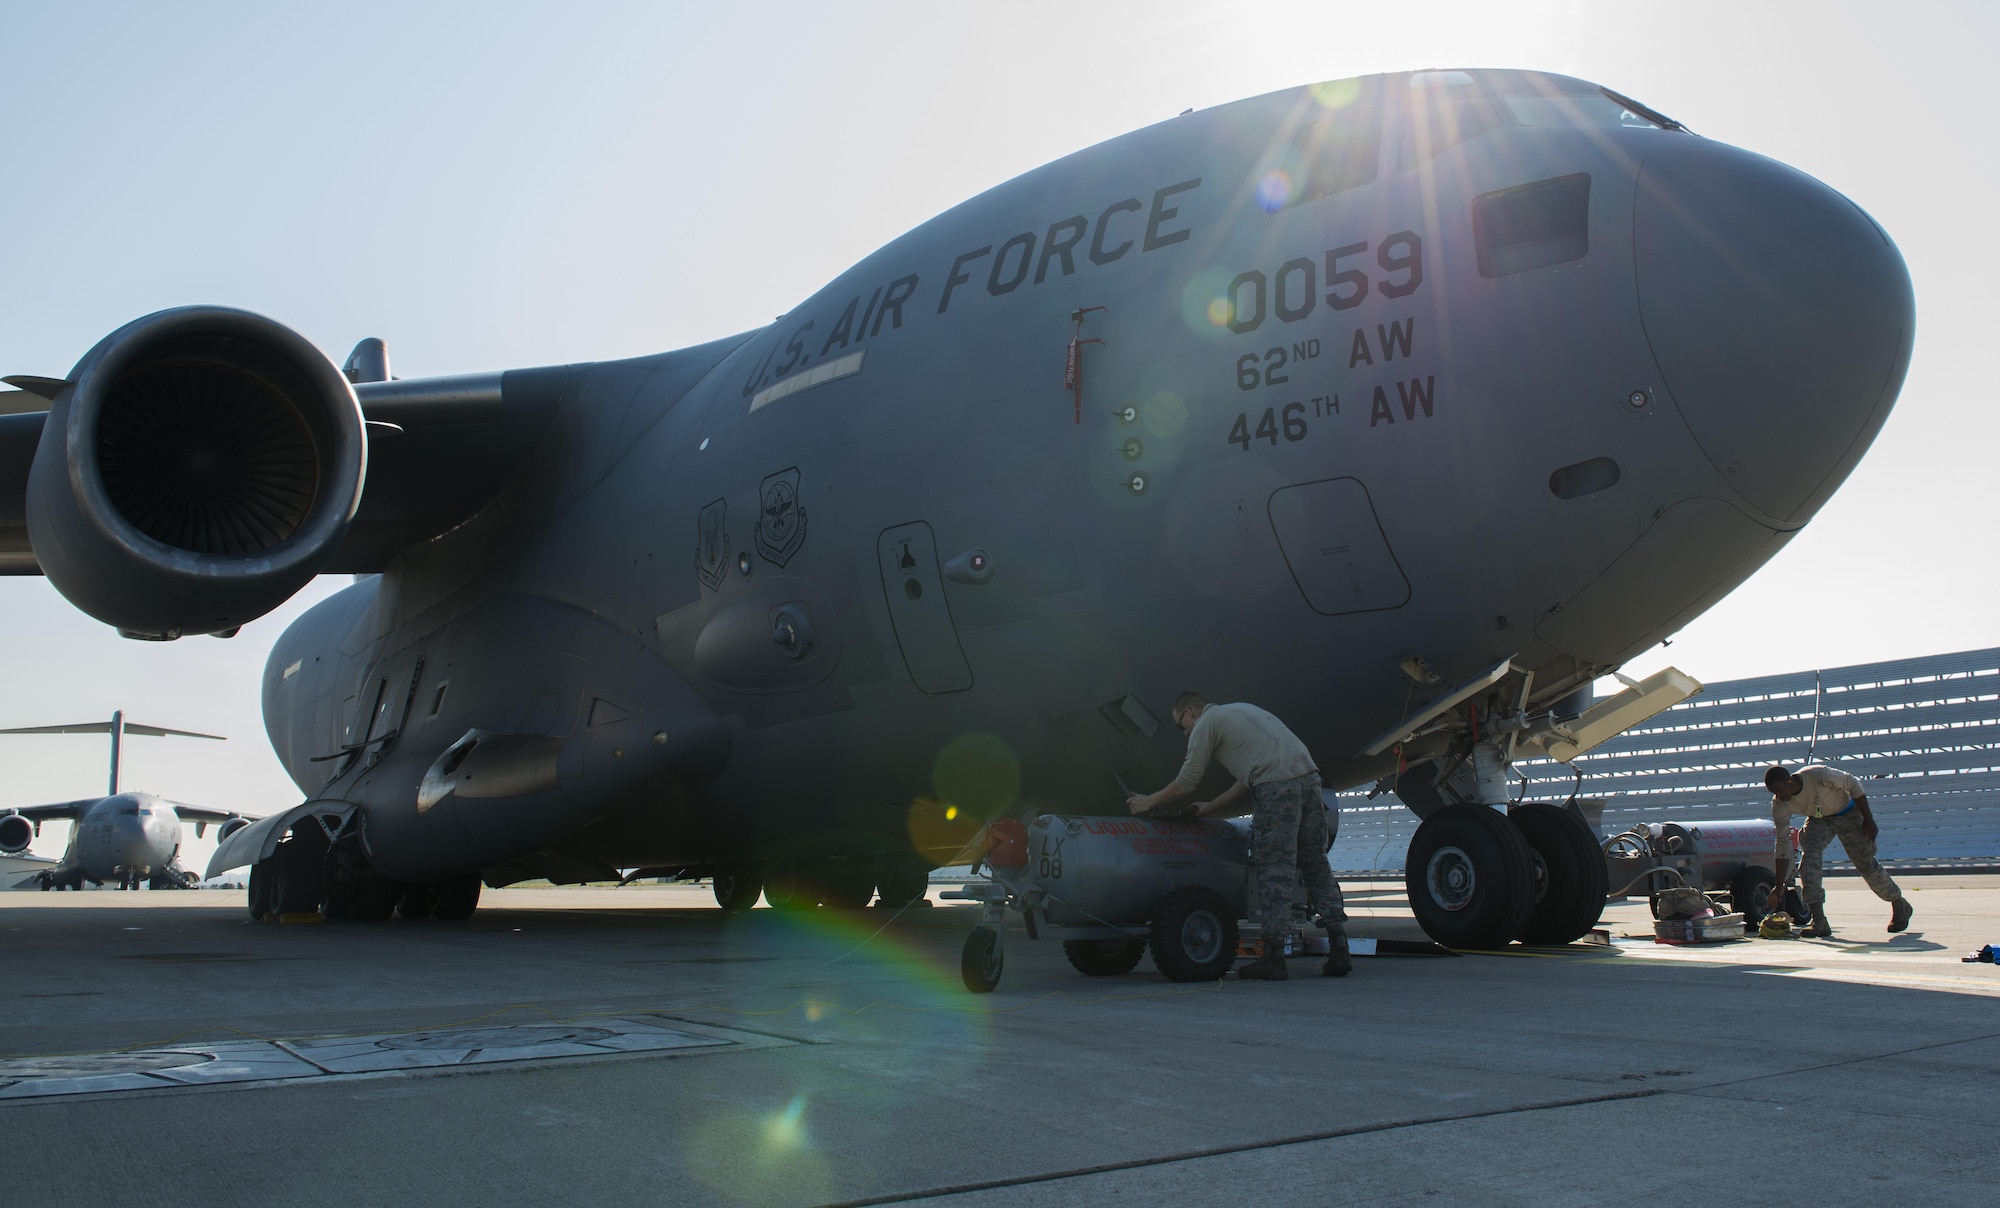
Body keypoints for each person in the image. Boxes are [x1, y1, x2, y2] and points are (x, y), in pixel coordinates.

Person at [1125, 692, 1349, 980]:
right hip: (1309, 781)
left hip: (1277, 787)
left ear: (1191, 712)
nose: (1185, 733)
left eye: (1182, 726)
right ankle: (1340, 948)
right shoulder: (1241, 712)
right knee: (1315, 862)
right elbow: (1248, 777)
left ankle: (1274, 957)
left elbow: (1188, 780)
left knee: (1274, 868)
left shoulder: (1206, 723)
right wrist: (1211, 808)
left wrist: (1149, 801)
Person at [1763, 763, 1912, 937]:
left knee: (1865, 864)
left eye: (1780, 790)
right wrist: (1779, 885)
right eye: (1774, 792)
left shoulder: (1819, 776)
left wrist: (1868, 819)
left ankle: (1899, 903)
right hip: (1819, 819)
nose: (1778, 796)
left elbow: (1853, 784)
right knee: (1809, 859)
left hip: (1848, 813)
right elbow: (1782, 843)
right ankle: (1819, 921)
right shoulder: (1780, 804)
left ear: (1789, 781)